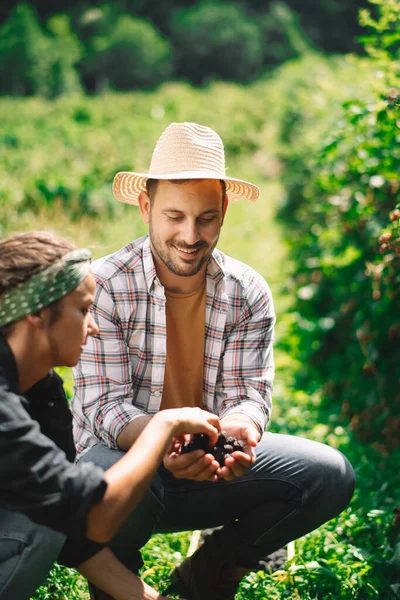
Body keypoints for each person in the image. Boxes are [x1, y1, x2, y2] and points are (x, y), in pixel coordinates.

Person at [72, 122, 356, 600]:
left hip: (209, 466)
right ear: (146, 207)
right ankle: (116, 581)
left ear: (224, 209)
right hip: (126, 467)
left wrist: (241, 430)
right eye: (174, 216)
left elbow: (249, 394)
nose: (190, 235)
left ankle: (213, 569)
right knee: (104, 475)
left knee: (330, 476)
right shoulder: (105, 285)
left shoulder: (247, 291)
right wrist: (166, 438)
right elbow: (104, 408)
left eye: (206, 218)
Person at [0, 230, 221, 600]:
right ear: (38, 312)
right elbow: (89, 517)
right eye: (83, 310)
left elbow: (73, 530)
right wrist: (162, 426)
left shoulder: (42, 390)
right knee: (36, 525)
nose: (94, 326)